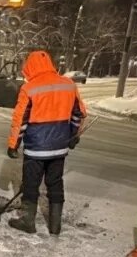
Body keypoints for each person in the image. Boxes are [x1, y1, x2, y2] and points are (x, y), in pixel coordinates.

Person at [6, 50, 86, 235]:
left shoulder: (30, 88)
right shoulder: (68, 85)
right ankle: (55, 226)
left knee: (31, 184)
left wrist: (13, 145)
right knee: (55, 182)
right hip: (59, 146)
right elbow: (78, 114)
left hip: (36, 148)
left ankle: (28, 222)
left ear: (30, 67)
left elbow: (20, 120)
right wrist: (74, 135)